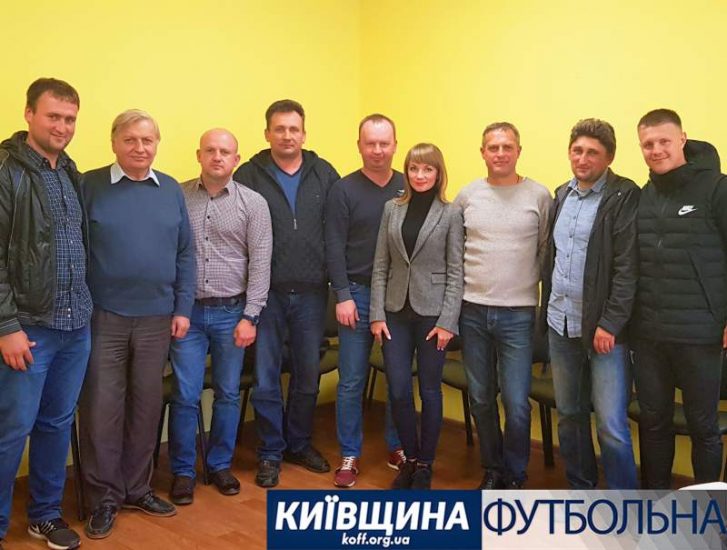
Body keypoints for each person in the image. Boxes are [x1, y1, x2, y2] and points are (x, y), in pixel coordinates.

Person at [79, 110, 196, 539]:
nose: (139, 148)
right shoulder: (89, 185)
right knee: (101, 411)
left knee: (146, 408)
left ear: (157, 144)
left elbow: (185, 253)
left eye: (147, 140)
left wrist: (183, 308)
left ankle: (138, 488)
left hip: (157, 319)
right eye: (130, 140)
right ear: (114, 142)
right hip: (103, 317)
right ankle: (103, 499)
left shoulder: (170, 189)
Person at [0, 78, 90, 550]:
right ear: (29, 114)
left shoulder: (70, 172)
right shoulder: (6, 171)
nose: (62, 126)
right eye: (53, 116)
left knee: (56, 424)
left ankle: (45, 516)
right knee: (11, 430)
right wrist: (6, 326)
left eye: (70, 118)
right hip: (28, 330)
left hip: (76, 327)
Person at [233, 99, 339, 488]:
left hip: (313, 294)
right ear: (267, 134)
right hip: (266, 296)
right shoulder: (248, 175)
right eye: (280, 129)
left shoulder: (324, 173)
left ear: (304, 134)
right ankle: (270, 451)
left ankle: (299, 443)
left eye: (294, 129)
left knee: (307, 376)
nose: (287, 136)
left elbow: (337, 230)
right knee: (265, 379)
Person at [168, 129, 272, 504]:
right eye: (210, 150)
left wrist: (251, 316)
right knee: (185, 394)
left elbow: (261, 263)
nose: (217, 157)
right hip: (188, 314)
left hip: (232, 314)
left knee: (228, 393)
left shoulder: (253, 203)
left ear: (236, 160)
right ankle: (183, 472)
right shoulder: (178, 197)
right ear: (198, 155)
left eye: (225, 152)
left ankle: (219, 465)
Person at [541, 118, 639, 489]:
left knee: (611, 425)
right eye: (577, 150)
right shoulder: (561, 194)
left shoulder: (623, 196)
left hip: (604, 333)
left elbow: (627, 268)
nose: (583, 159)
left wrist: (610, 323)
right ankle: (581, 489)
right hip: (560, 323)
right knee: (570, 414)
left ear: (609, 157)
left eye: (592, 153)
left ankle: (623, 505)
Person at [632, 108, 727, 488]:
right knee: (654, 423)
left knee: (703, 426)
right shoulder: (644, 196)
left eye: (664, 141)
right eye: (648, 144)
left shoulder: (717, 189)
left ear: (682, 140)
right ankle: (654, 507)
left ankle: (706, 511)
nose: (656, 150)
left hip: (699, 334)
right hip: (649, 336)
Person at [455, 122, 551, 489]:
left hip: (518, 315)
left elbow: (545, 254)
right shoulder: (467, 196)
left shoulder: (539, 196)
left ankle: (515, 473)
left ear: (518, 151)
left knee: (516, 403)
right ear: (482, 152)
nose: (500, 153)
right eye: (493, 147)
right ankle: (492, 468)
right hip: (472, 311)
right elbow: (455, 253)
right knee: (481, 398)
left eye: (507, 147)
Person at [370, 143, 464, 490]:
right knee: (397, 389)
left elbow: (456, 271)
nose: (420, 175)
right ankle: (409, 459)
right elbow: (381, 265)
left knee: (429, 390)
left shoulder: (451, 213)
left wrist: (447, 322)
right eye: (414, 168)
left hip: (433, 316)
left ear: (438, 173)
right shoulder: (391, 209)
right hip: (395, 312)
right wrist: (376, 314)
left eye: (427, 169)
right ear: (406, 171)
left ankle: (425, 463)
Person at [325, 114, 406, 488]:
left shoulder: (409, 185)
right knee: (352, 379)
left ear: (395, 145)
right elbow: (333, 246)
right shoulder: (343, 190)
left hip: (398, 297)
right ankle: (349, 453)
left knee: (397, 377)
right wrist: (342, 295)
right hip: (355, 295)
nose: (377, 150)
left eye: (384, 143)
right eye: (370, 143)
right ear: (359, 145)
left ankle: (397, 446)